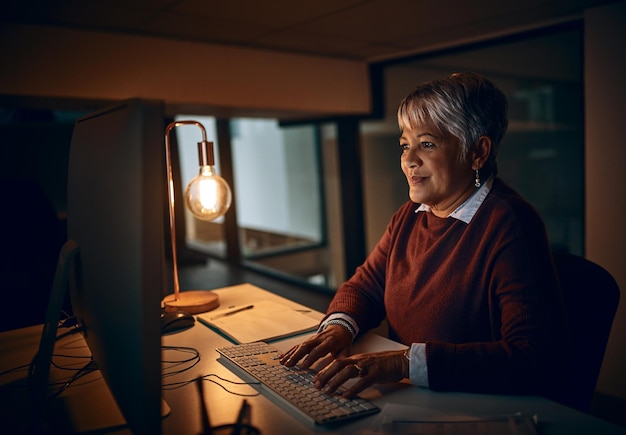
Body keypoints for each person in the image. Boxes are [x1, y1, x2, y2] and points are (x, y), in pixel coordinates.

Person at [280, 72, 566, 401]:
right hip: (414, 397)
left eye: (427, 144)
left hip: (474, 407)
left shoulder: (510, 223)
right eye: (405, 145)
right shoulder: (409, 216)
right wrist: (338, 329)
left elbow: (531, 356)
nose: (408, 160)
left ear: (477, 152)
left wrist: (403, 364)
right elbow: (366, 285)